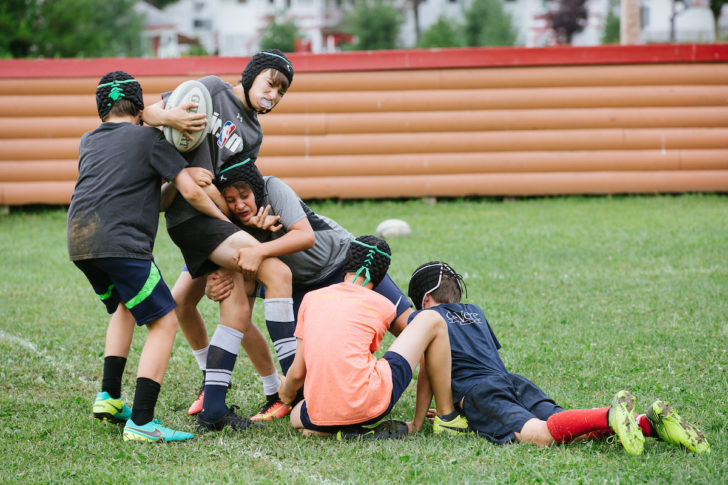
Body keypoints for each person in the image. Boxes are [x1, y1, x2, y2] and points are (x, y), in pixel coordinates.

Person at [139, 50, 298, 430]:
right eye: (270, 83)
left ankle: (218, 399)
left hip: (215, 219)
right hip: (195, 216)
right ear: (251, 75)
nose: (273, 95)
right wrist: (170, 116)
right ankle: (297, 384)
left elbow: (232, 185)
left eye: (282, 91)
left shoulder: (254, 132)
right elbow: (146, 114)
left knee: (224, 304)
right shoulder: (210, 89)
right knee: (277, 275)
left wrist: (249, 221)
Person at [67, 71, 229, 443]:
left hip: (79, 241)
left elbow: (138, 187)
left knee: (126, 305)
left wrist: (174, 177)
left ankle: (109, 397)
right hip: (121, 242)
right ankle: (142, 421)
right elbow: (191, 192)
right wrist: (223, 220)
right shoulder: (150, 138)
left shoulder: (87, 141)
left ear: (101, 110)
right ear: (141, 110)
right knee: (165, 321)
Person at [406, 261, 711, 454]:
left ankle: (610, 413)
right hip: (511, 381)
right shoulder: (476, 312)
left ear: (427, 300)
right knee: (569, 429)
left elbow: (428, 372)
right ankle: (650, 423)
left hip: (481, 392)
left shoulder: (426, 319)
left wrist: (421, 422)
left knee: (539, 436)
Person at [202, 155, 415, 420]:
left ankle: (453, 390)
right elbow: (237, 281)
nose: (239, 205)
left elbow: (305, 235)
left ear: (256, 189)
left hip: (343, 265)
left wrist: (259, 250)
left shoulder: (272, 188)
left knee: (409, 327)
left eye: (244, 196)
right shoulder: (229, 222)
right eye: (230, 200)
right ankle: (284, 396)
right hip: (300, 290)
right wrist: (215, 286)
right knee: (304, 360)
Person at [276, 236, 468, 439]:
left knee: (296, 416)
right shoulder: (383, 305)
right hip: (372, 407)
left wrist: (286, 393)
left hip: (319, 414)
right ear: (381, 275)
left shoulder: (311, 298)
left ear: (346, 263)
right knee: (431, 319)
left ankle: (334, 433)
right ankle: (444, 417)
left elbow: (297, 374)